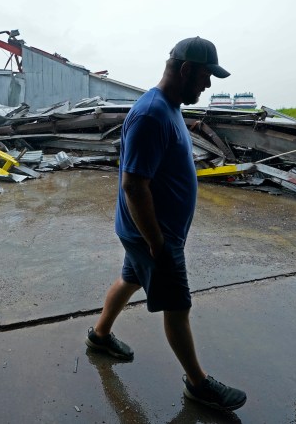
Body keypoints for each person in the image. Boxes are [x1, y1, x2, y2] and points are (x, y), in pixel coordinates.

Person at [85, 36, 247, 412]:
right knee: (178, 305)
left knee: (130, 278)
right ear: (186, 70)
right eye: (205, 77)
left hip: (150, 232)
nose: (207, 86)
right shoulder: (151, 114)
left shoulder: (169, 107)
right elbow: (133, 184)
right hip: (153, 235)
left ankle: (100, 336)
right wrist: (158, 246)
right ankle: (198, 384)